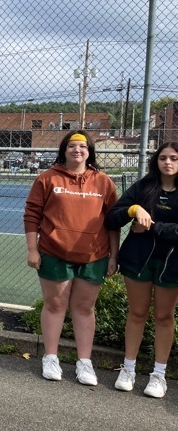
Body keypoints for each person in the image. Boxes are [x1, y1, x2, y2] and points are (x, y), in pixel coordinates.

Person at [23, 130, 118, 386]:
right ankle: (51, 358)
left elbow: (113, 223)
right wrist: (33, 249)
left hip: (94, 256)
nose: (78, 150)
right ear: (64, 150)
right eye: (72, 146)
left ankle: (84, 362)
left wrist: (113, 256)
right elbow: (32, 214)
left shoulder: (104, 182)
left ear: (90, 151)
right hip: (54, 253)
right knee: (55, 306)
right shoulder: (47, 178)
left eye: (83, 146)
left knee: (85, 308)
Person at [105, 142, 178, 398]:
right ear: (156, 161)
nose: (167, 162)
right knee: (137, 313)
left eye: (173, 158)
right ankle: (128, 369)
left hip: (172, 264)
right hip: (138, 260)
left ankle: (159, 375)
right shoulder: (143, 187)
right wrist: (133, 210)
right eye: (163, 158)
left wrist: (153, 227)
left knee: (163, 317)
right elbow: (112, 217)